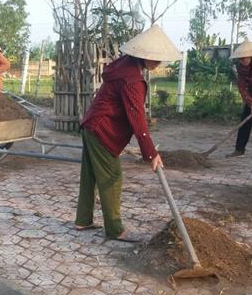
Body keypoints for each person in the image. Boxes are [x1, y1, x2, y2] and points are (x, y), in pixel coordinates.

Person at [74, 25, 181, 243]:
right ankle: (115, 229)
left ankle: (83, 220)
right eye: (157, 58)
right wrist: (150, 153)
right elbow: (137, 119)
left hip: (91, 125)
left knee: (90, 175)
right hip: (102, 129)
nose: (159, 63)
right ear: (145, 56)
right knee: (112, 177)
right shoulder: (132, 79)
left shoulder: (123, 65)